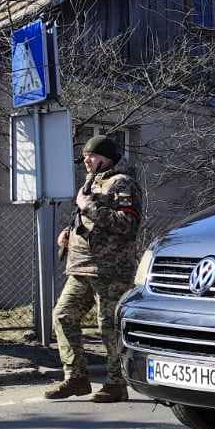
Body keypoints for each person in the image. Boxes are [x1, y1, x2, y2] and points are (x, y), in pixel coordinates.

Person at [45, 134, 143, 403]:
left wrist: (87, 207)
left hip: (109, 270)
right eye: (86, 156)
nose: (86, 160)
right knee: (63, 316)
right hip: (81, 267)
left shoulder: (121, 183)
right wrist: (69, 231)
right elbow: (88, 220)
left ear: (107, 158)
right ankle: (75, 377)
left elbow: (127, 223)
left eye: (92, 155)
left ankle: (116, 383)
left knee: (108, 327)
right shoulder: (92, 182)